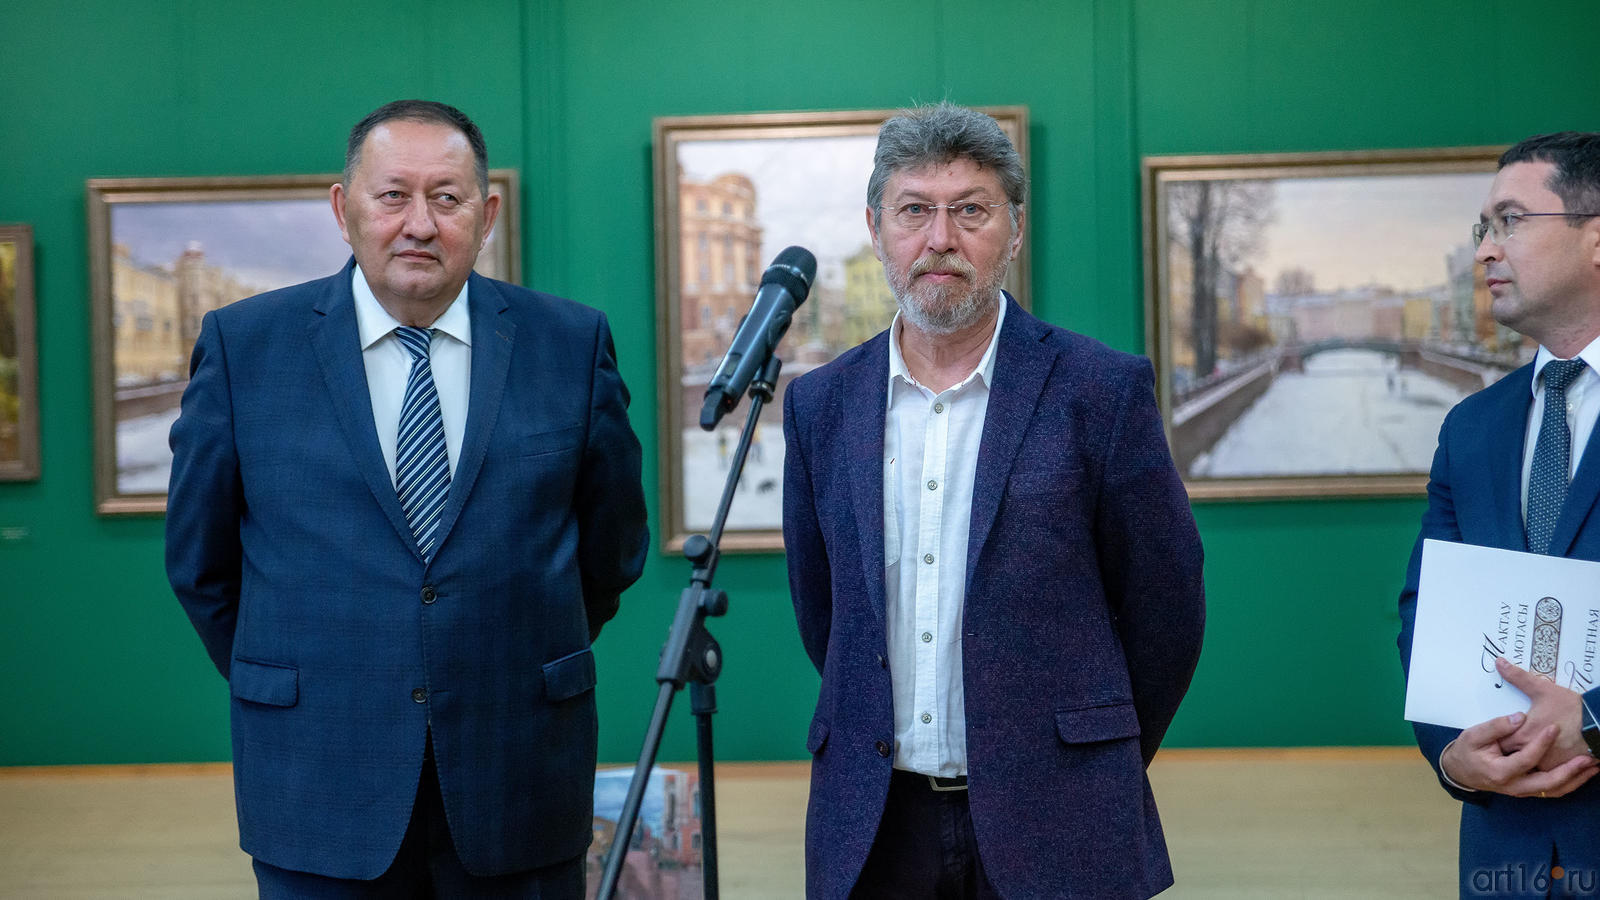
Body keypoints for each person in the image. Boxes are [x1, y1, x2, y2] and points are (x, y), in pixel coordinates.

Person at [166, 99, 649, 897]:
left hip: (518, 774)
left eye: (446, 198)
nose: (419, 223)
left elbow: (613, 549)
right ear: (343, 208)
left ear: (487, 215)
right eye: (393, 195)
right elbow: (200, 563)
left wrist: (492, 652)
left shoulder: (569, 345)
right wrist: (311, 674)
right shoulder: (245, 347)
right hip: (317, 778)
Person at [781, 102, 1206, 899]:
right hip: (875, 826)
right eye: (914, 210)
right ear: (876, 229)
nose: (940, 238)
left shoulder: (1100, 391)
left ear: (1014, 231)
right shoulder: (821, 405)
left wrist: (1088, 753)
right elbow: (825, 615)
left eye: (970, 211)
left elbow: (1167, 607)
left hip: (1061, 817)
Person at [1397, 131, 1600, 897]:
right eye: (1482, 228)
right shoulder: (1471, 427)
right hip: (1507, 848)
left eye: (1510, 221)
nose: (1486, 249)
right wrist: (1452, 755)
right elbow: (1427, 612)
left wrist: (1595, 721)